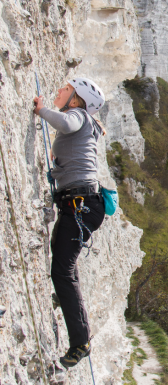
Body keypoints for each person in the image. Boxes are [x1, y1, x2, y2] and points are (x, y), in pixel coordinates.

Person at [33, 78, 107, 368]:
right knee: (66, 269)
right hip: (81, 204)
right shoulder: (85, 120)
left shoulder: (78, 116)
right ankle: (79, 330)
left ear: (75, 100)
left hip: (81, 205)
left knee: (61, 271)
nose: (58, 92)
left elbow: (66, 125)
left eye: (65, 90)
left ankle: (80, 342)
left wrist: (40, 110)